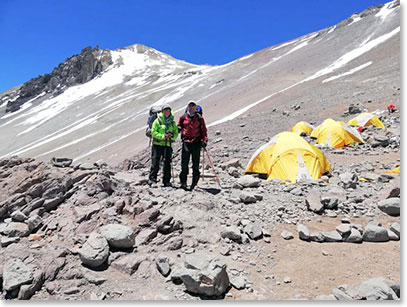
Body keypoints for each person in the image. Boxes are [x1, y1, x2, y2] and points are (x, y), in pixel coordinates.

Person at [178, 101, 208, 190]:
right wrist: (178, 129)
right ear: (188, 107)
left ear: (195, 108)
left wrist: (204, 140)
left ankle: (194, 183)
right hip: (186, 142)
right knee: (184, 164)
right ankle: (183, 183)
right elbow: (179, 125)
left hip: (196, 143)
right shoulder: (183, 117)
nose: (192, 108)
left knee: (195, 164)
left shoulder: (199, 118)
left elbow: (204, 130)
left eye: (193, 106)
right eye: (190, 106)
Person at [148, 104, 178, 187]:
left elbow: (176, 133)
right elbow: (153, 132)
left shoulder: (172, 122)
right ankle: (152, 180)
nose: (166, 112)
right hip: (157, 144)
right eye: (165, 110)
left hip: (167, 144)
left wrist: (172, 137)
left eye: (168, 110)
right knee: (155, 162)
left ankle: (166, 181)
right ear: (162, 111)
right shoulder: (157, 121)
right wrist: (163, 136)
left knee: (167, 163)